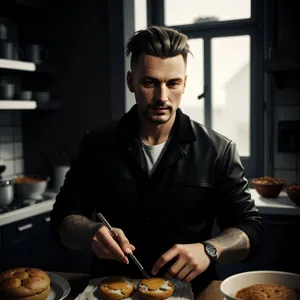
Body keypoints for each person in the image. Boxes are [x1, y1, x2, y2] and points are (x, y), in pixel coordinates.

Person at [49, 25, 264, 294]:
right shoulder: (97, 143)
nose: (162, 97)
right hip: (110, 291)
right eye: (149, 82)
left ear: (184, 83)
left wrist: (210, 249)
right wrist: (90, 232)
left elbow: (251, 229)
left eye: (172, 83)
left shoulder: (218, 149)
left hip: (193, 291)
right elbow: (62, 221)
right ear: (130, 81)